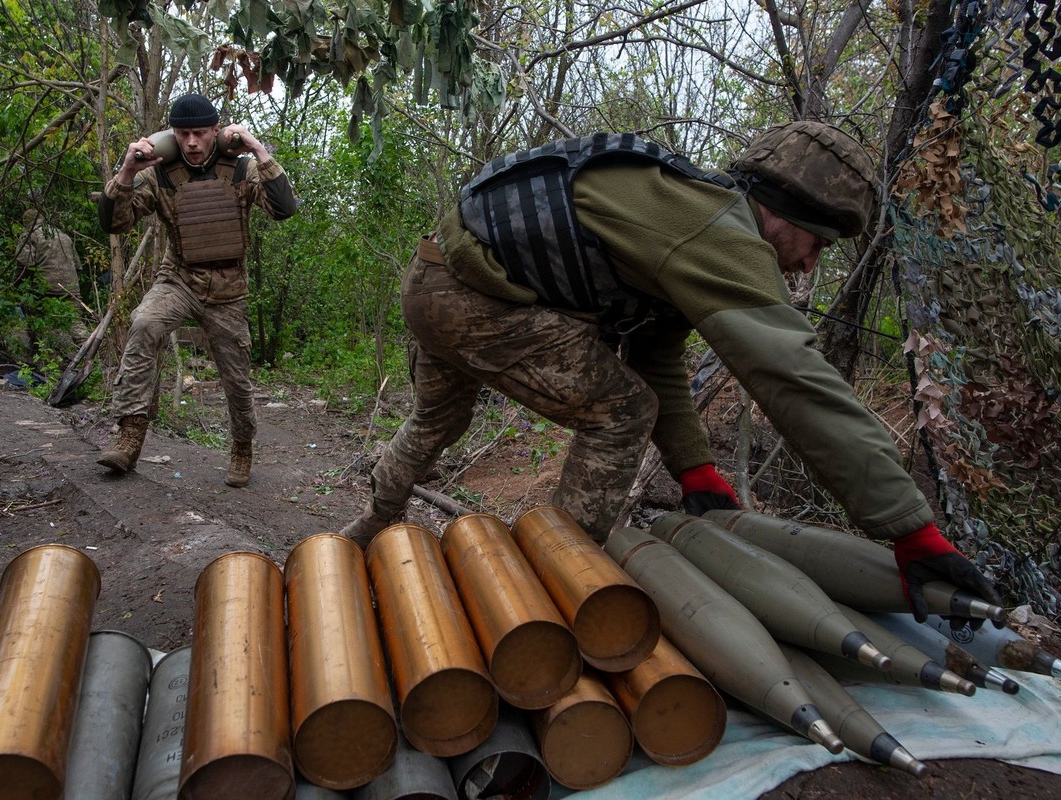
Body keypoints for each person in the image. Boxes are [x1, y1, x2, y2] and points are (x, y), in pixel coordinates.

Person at [339, 122, 1001, 626]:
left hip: (434, 281)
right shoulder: (718, 234)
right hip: (477, 302)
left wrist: (694, 471)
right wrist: (910, 529)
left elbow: (654, 356)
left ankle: (367, 527)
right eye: (815, 244)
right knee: (619, 412)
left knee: (437, 418)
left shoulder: (680, 210)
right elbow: (793, 378)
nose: (805, 265)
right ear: (783, 214)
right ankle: (547, 597)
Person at [95, 93, 297, 487]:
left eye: (200, 133)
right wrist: (125, 172)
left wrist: (257, 149)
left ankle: (242, 447)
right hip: (180, 279)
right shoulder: (160, 173)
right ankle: (130, 435)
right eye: (183, 133)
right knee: (144, 323)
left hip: (228, 289)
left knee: (237, 380)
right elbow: (114, 224)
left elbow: (284, 208)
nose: (191, 142)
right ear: (173, 134)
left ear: (215, 132)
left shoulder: (240, 170)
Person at [15, 209, 88, 357]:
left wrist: (16, 285)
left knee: (40, 324)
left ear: (26, 223)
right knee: (75, 323)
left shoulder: (30, 235)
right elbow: (79, 266)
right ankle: (91, 352)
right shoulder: (62, 235)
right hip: (71, 287)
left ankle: (44, 357)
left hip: (45, 288)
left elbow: (24, 263)